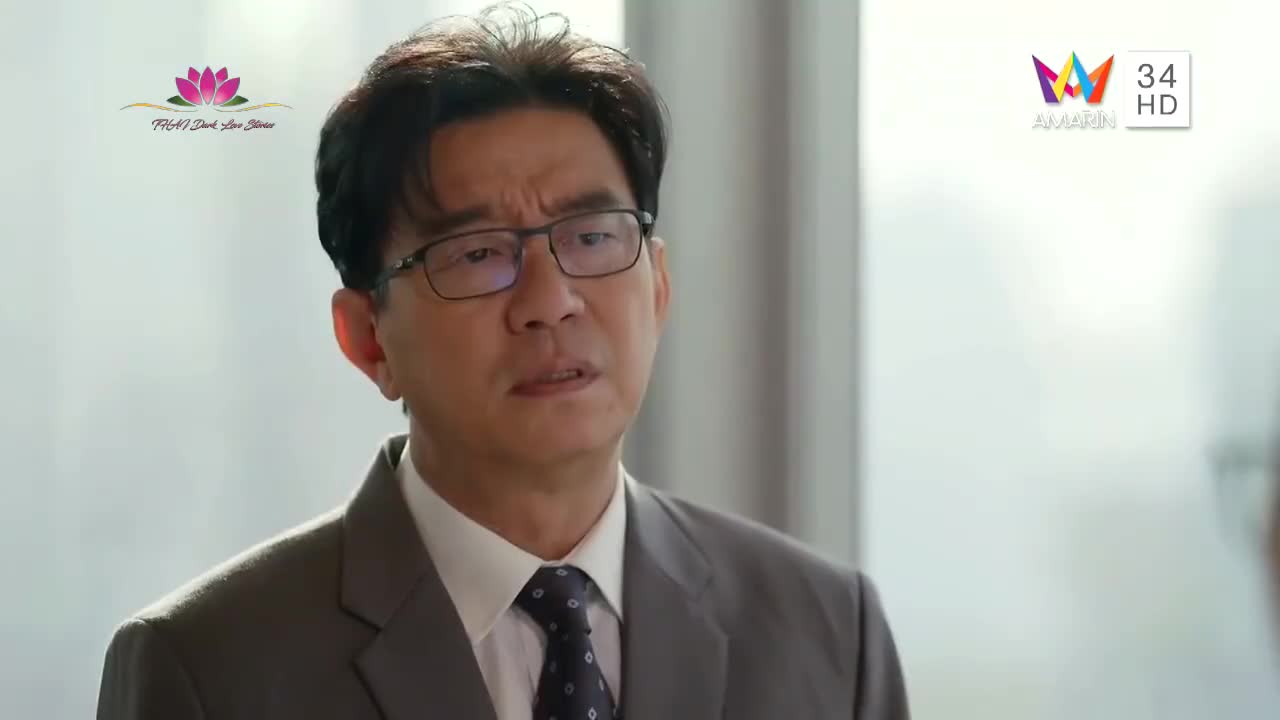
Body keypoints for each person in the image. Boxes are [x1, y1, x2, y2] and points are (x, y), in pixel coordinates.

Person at [95, 5, 910, 719]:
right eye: (479, 253)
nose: (550, 300)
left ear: (658, 288)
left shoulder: (829, 634)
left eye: (592, 237)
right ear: (368, 339)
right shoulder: (211, 667)